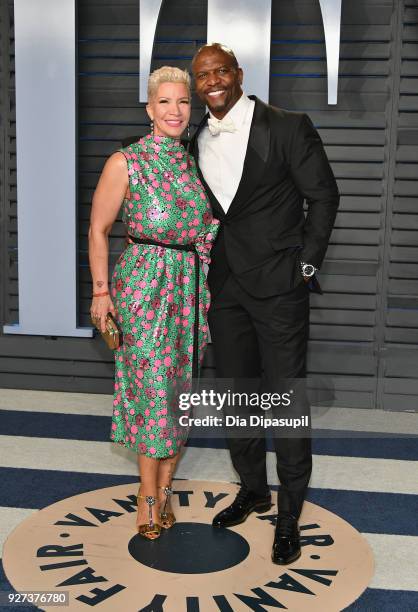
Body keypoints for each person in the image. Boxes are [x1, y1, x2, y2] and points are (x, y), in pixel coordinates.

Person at [190, 43, 339, 564]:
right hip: (225, 286)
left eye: (220, 71)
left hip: (279, 286)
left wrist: (307, 266)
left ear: (238, 73)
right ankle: (252, 489)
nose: (212, 80)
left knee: (286, 402)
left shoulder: (287, 125)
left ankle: (291, 511)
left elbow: (323, 195)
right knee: (237, 396)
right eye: (202, 74)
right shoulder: (194, 138)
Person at [88, 66, 219, 540]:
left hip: (187, 289)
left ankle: (165, 489)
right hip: (143, 286)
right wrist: (101, 292)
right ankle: (146, 496)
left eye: (183, 102)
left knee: (177, 394)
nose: (175, 111)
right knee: (152, 394)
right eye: (164, 102)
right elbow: (98, 230)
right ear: (149, 109)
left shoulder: (192, 164)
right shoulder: (126, 162)